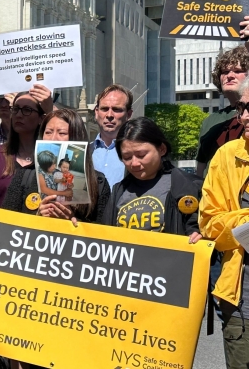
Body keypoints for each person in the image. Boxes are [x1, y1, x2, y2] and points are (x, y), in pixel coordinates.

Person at [0, 109, 110, 369]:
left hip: (74, 291)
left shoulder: (99, 182)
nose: (55, 137)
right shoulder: (24, 176)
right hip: (31, 286)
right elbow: (3, 227)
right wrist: (37, 218)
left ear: (78, 138)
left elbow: (107, 236)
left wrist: (76, 226)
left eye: (63, 132)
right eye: (49, 132)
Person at [200, 78, 249, 369]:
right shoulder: (226, 156)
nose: (243, 116)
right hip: (241, 301)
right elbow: (210, 224)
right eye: (242, 107)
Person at [101, 117, 202, 240]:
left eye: (141, 155)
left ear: (162, 149)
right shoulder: (119, 191)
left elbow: (201, 227)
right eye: (127, 157)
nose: (134, 163)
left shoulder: (186, 186)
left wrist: (199, 234)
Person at [0, 87, 52, 207]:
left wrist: (51, 112)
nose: (19, 115)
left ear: (41, 118)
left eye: (27, 110)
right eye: (15, 109)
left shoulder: (52, 157)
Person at [195, 45, 249, 177]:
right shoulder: (210, 121)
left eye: (237, 70)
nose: (230, 76)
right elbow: (201, 165)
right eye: (224, 72)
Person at [92, 84, 134, 187]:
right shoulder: (83, 152)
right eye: (104, 109)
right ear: (96, 112)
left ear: (128, 114)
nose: (109, 115)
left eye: (117, 109)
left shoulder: (136, 153)